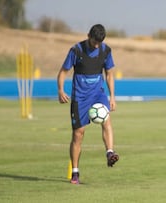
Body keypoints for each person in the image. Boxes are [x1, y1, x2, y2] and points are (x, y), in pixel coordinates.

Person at [57, 24, 119, 184]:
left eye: (99, 42)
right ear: (88, 36)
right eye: (94, 42)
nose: (96, 45)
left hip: (98, 93)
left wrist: (112, 96)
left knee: (106, 120)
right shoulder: (76, 50)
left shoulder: (106, 51)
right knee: (79, 134)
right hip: (80, 97)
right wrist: (60, 90)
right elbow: (63, 72)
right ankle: (75, 172)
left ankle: (110, 153)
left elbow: (110, 74)